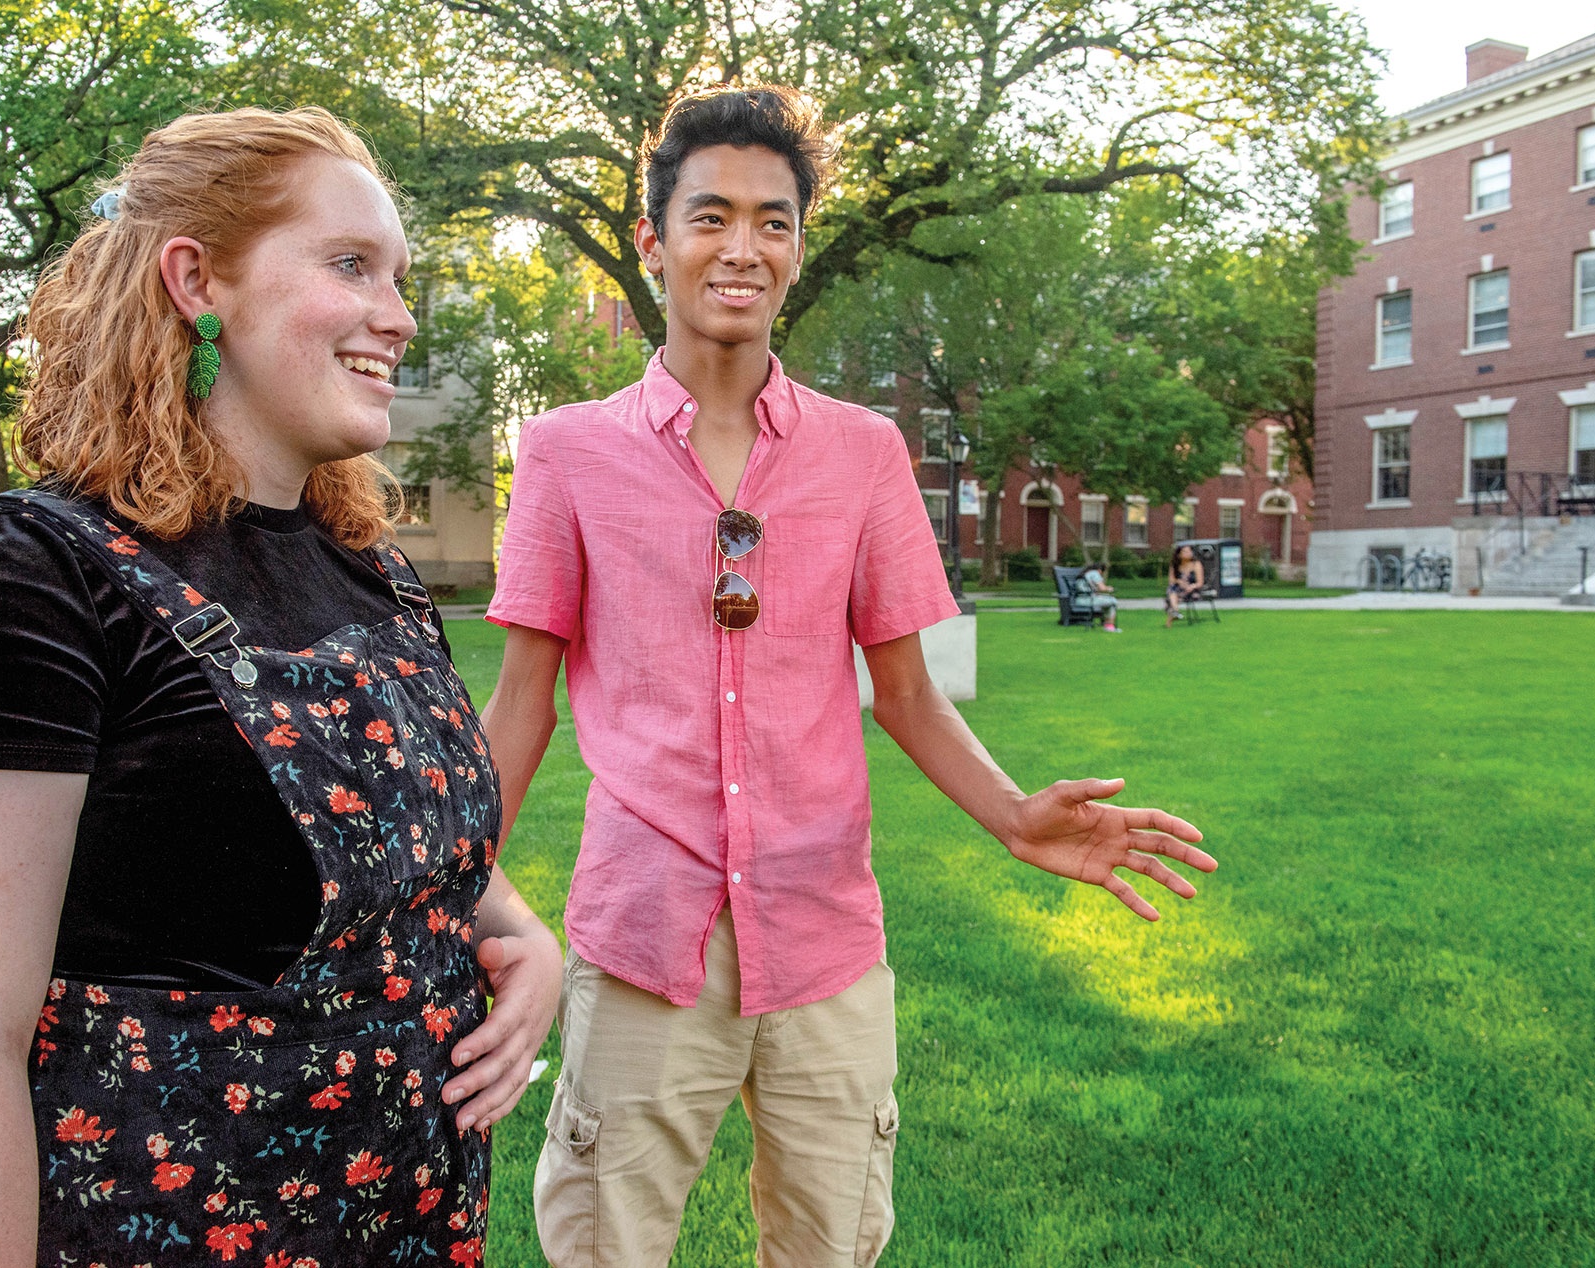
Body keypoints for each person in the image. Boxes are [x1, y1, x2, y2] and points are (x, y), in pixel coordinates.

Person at [478, 85, 1218, 1268]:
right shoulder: (567, 451)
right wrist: (442, 891)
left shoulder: (864, 451)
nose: (742, 247)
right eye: (710, 215)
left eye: (774, 221)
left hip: (825, 942)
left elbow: (910, 691)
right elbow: (521, 707)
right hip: (642, 939)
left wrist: (1017, 817)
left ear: (798, 248)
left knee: (831, 1248)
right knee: (603, 1247)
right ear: (651, 237)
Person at [0, 107, 560, 1267]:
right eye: (350, 265)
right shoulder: (26, 578)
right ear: (196, 281)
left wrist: (523, 934)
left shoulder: (370, 572)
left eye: (399, 275)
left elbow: (376, 831)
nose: (399, 314)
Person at [1166, 544, 1205, 626]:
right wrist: (1179, 581)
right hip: (1178, 589)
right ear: (1179, 554)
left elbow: (1200, 583)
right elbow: (1171, 580)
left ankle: (1173, 615)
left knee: (1171, 595)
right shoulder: (1175, 565)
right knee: (1172, 590)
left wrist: (1191, 586)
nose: (1188, 553)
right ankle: (1175, 611)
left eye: (1189, 551)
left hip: (1192, 590)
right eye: (1185, 551)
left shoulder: (1196, 564)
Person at [1080, 562, 1121, 632]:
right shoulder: (1094, 573)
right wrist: (1109, 588)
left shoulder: (1086, 573)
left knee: (1107, 600)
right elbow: (1102, 588)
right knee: (1113, 600)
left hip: (1081, 598)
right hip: (1088, 599)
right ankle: (1109, 626)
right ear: (1099, 570)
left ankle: (1106, 623)